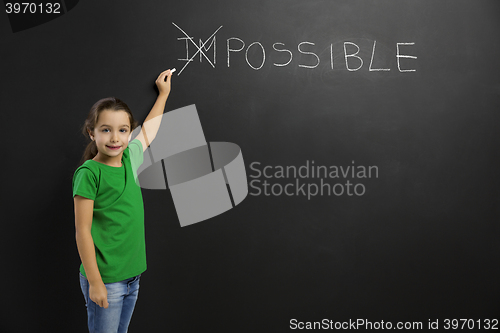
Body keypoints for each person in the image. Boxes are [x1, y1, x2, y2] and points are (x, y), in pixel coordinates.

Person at [72, 69, 173, 333]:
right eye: (106, 130)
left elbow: (149, 130)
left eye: (122, 130)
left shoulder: (130, 158)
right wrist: (95, 282)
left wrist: (163, 95)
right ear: (92, 133)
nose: (115, 138)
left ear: (129, 133)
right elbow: (82, 230)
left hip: (133, 277)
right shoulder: (89, 173)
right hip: (106, 280)